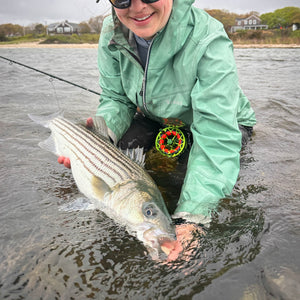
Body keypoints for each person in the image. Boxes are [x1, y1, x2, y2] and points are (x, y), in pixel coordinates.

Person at [61, 0, 256, 259]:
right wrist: (103, 136)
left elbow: (215, 135)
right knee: (115, 154)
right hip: (155, 116)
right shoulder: (111, 28)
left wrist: (192, 219)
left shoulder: (210, 38)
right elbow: (116, 98)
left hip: (217, 123)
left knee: (184, 178)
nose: (138, 7)